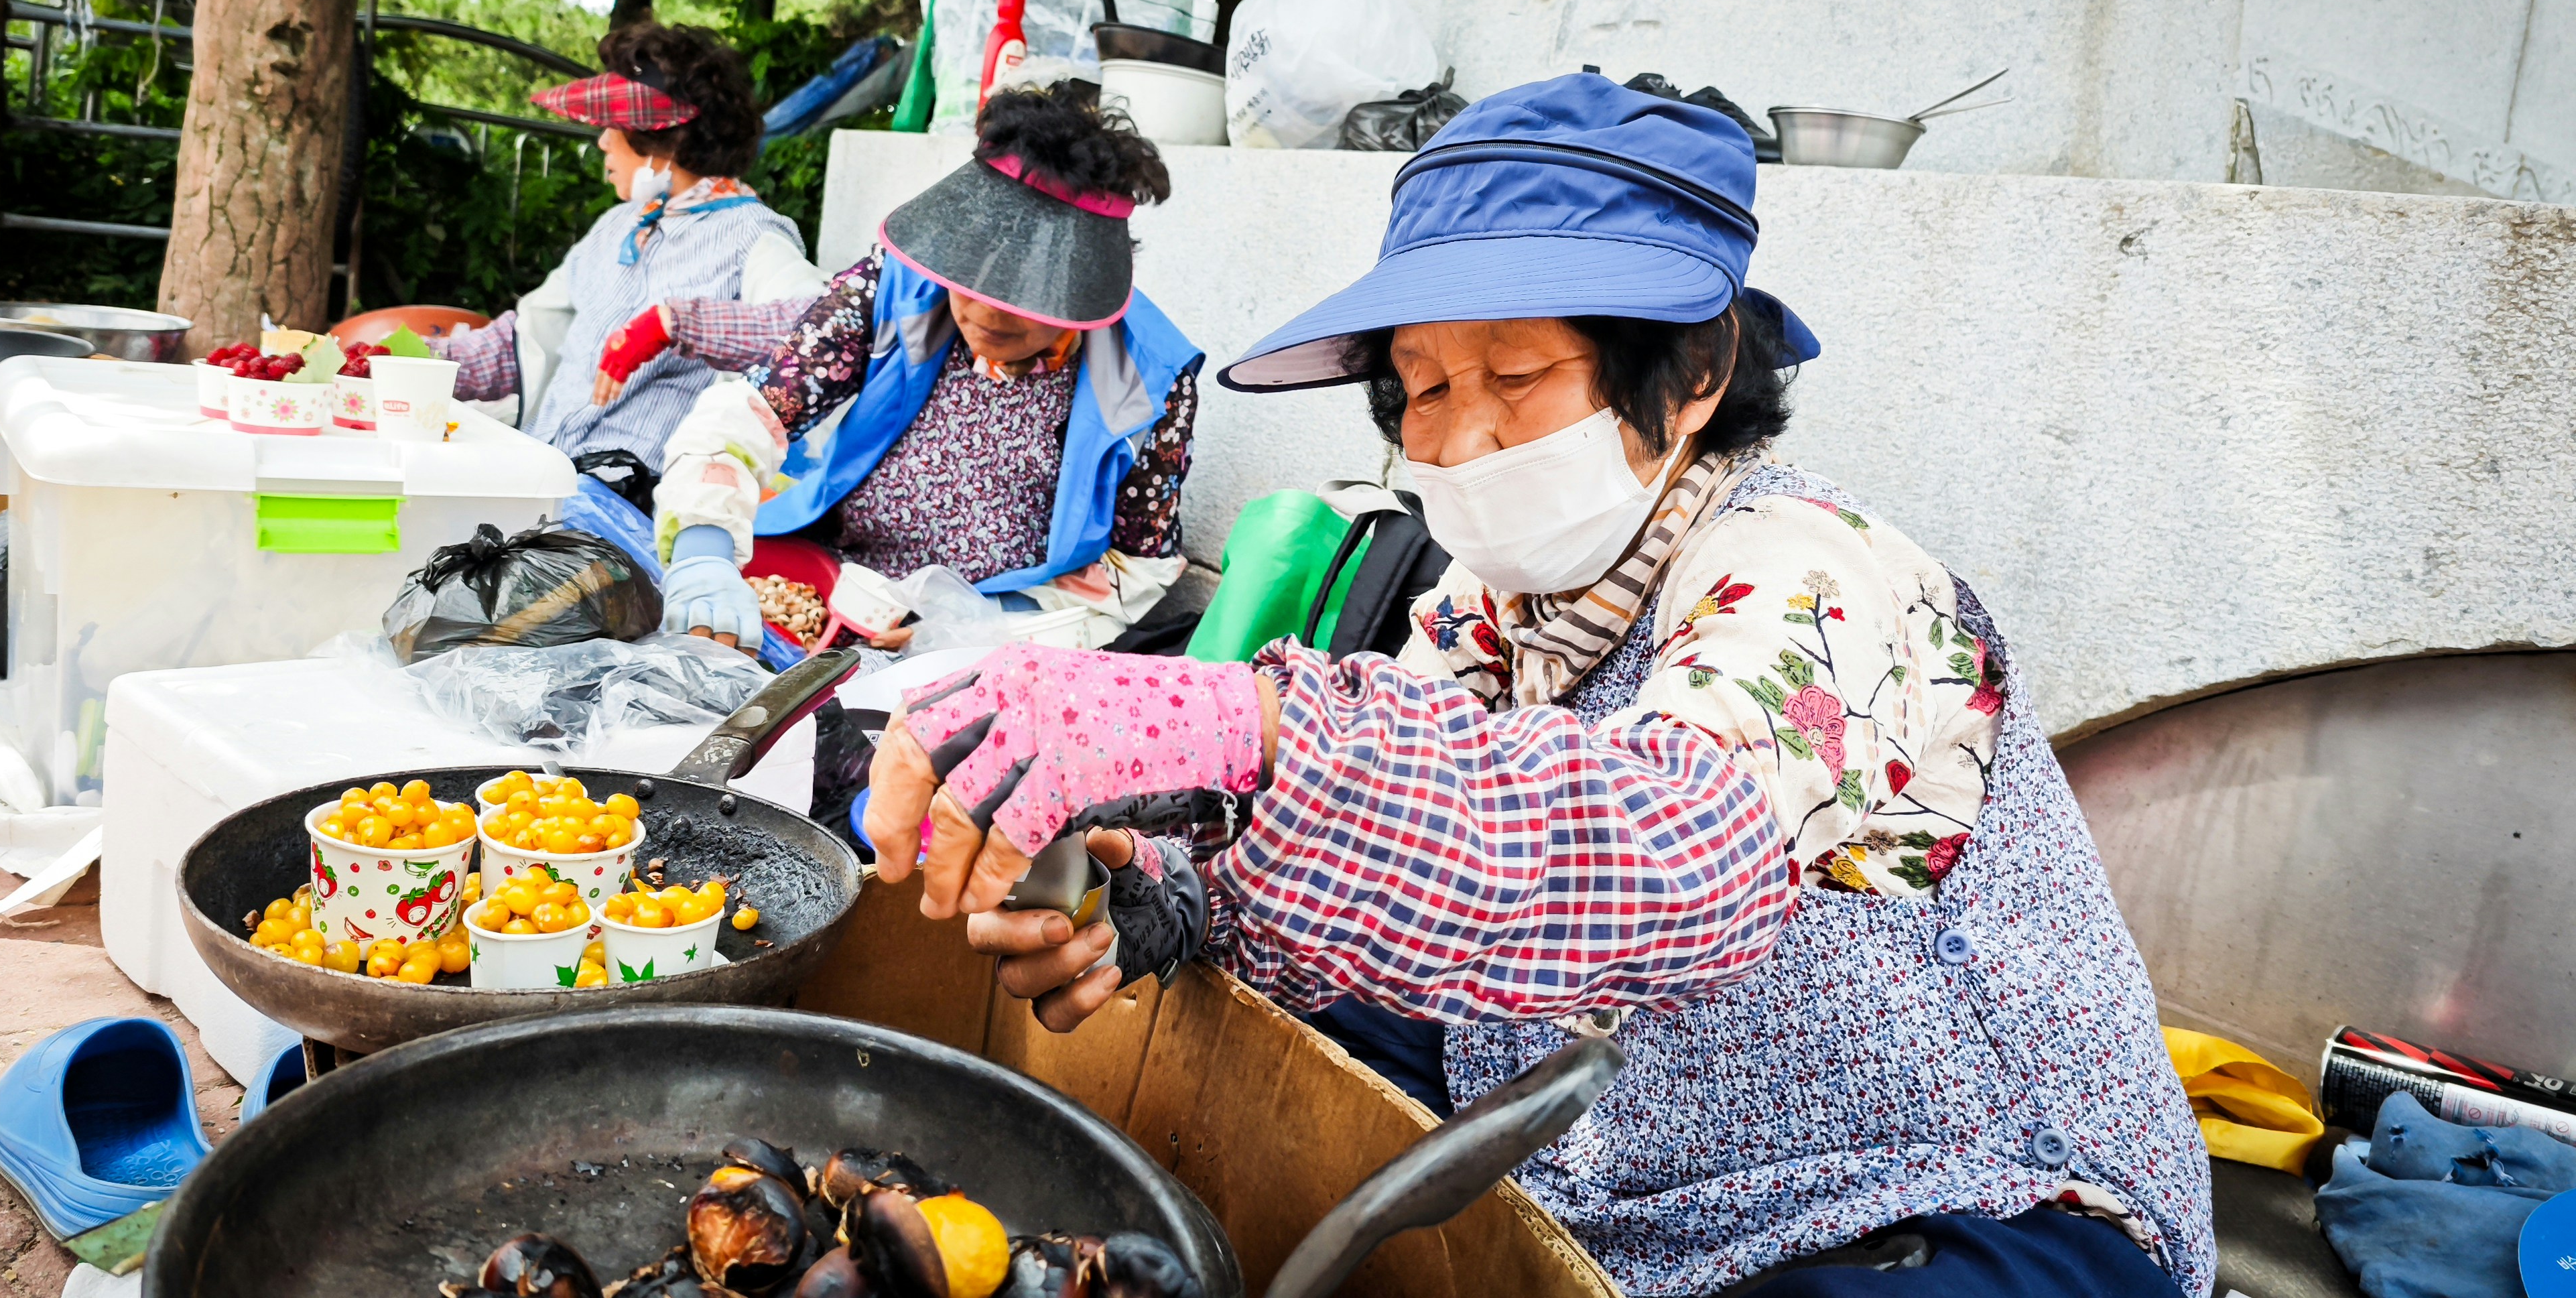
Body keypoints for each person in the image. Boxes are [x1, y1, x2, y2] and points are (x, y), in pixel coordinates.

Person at [859, 75, 2215, 1298]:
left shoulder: (1815, 570)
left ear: (1688, 377)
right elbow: (1415, 797)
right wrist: (1162, 886)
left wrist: (1225, 718)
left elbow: (1664, 847)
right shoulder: (1489, 606)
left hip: (1949, 1203)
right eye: (1422, 388)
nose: (1458, 438)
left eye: (1512, 374)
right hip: (1622, 1155)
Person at [617, 83, 1205, 651]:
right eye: (967, 278)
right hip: (835, 584)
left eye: (1023, 295)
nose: (983, 310)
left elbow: (1138, 567)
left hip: (997, 637)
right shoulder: (894, 289)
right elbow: (757, 409)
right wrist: (702, 548)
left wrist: (982, 628)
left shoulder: (1150, 382)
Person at [435, 20, 822, 476]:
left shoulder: (752, 236)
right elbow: (526, 344)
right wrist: (410, 362)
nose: (602, 140)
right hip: (541, 470)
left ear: (666, 138)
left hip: (626, 501)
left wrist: (678, 323)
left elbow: (824, 328)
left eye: (614, 126)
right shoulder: (618, 225)